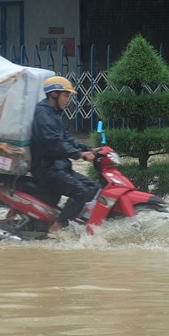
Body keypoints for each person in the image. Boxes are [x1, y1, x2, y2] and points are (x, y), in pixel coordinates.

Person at [30, 76, 99, 234]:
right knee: (80, 191)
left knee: (93, 187)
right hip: (46, 169)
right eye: (66, 95)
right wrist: (80, 154)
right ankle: (58, 227)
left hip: (59, 167)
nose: (68, 100)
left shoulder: (53, 114)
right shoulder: (42, 114)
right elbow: (54, 143)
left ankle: (79, 223)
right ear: (54, 94)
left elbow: (66, 139)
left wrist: (89, 149)